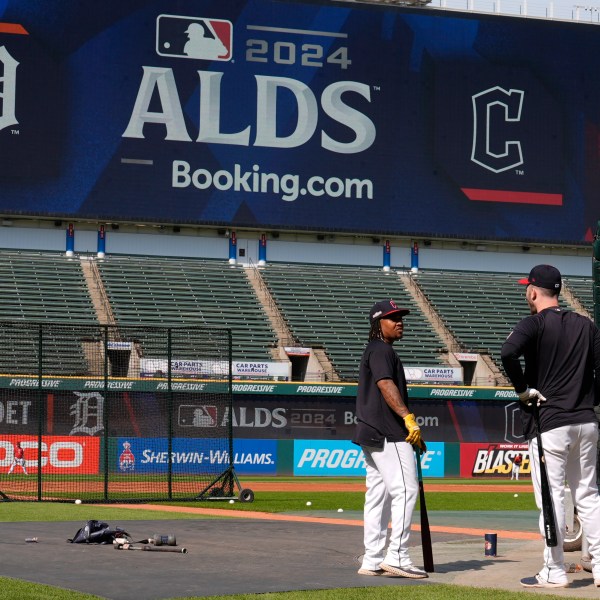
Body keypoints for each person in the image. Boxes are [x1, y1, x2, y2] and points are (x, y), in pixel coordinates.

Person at [501, 264, 600, 589]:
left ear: (532, 291)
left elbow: (508, 352)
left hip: (550, 422)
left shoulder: (534, 323)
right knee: (588, 495)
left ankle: (554, 571)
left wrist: (522, 390)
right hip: (586, 421)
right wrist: (589, 399)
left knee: (553, 497)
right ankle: (599, 565)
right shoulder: (586, 325)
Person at [353, 300, 428, 579]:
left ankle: (372, 559)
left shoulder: (374, 350)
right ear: (378, 323)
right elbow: (386, 384)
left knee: (378, 496)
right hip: (388, 433)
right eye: (392, 317)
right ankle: (397, 555)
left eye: (400, 317)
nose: (399, 322)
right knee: (406, 490)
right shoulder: (382, 349)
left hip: (371, 432)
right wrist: (408, 418)